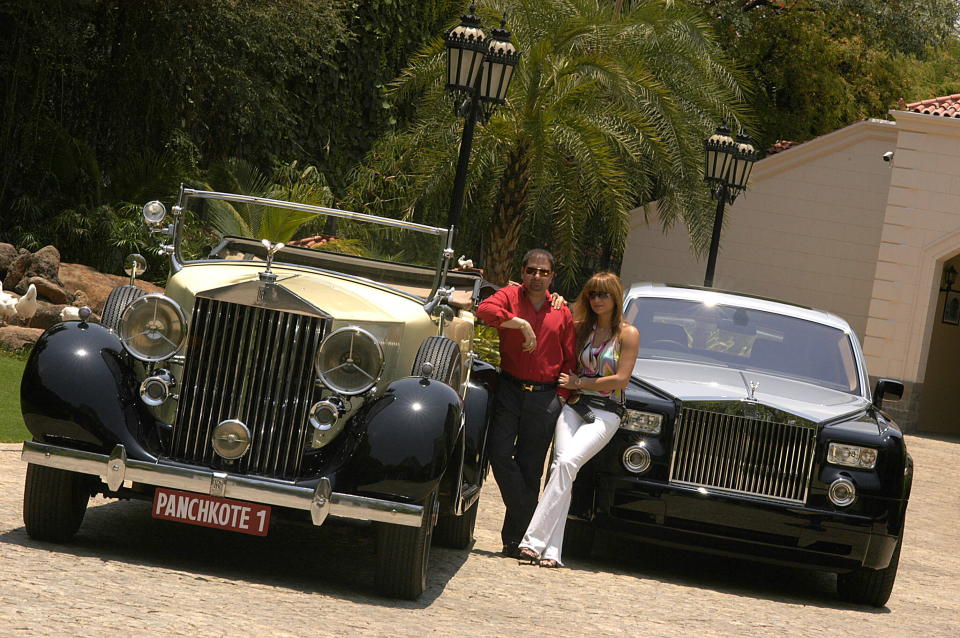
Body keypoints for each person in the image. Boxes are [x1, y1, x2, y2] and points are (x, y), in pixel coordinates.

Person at [517, 271, 639, 568]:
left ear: (615, 298)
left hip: (606, 413)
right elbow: (555, 313)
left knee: (569, 463)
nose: (597, 300)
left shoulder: (627, 334)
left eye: (604, 294)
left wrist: (579, 382)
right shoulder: (581, 327)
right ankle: (551, 552)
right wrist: (554, 298)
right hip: (573, 407)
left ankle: (532, 541)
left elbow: (621, 380)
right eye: (593, 294)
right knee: (562, 467)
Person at [476, 248, 577, 558]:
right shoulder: (509, 296)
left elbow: (570, 357)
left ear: (552, 277)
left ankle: (515, 541)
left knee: (530, 468)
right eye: (531, 270)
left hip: (545, 397)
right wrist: (520, 323)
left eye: (543, 272)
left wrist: (560, 399)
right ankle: (531, 516)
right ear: (522, 272)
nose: (537, 276)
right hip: (509, 389)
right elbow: (483, 311)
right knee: (499, 452)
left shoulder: (561, 310)